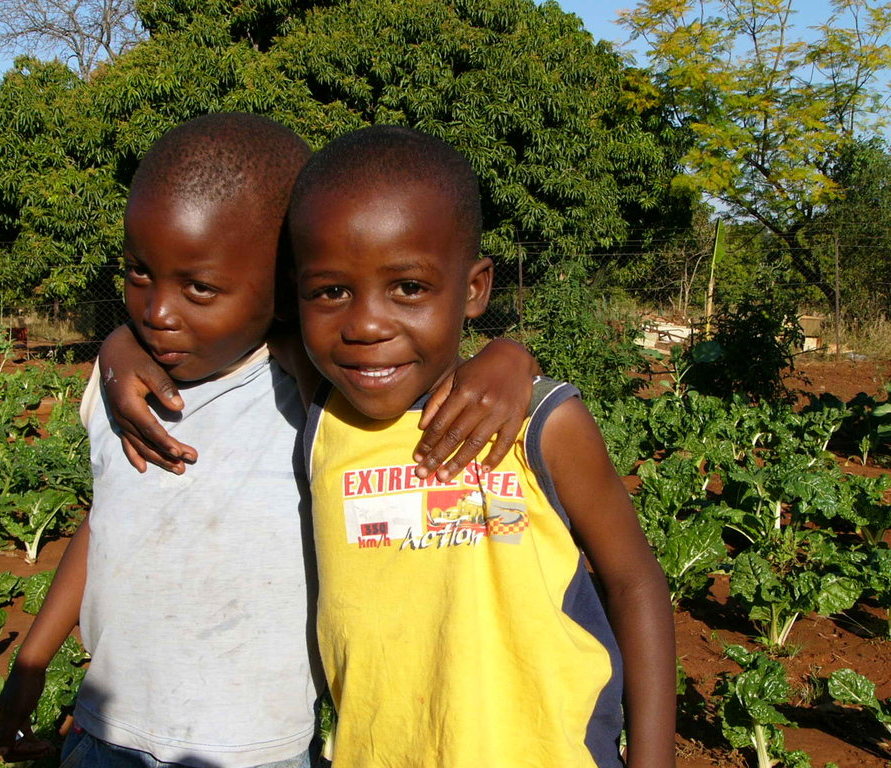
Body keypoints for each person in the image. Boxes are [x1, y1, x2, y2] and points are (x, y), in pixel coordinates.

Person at [0, 113, 539, 767]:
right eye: (139, 274)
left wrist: (511, 354)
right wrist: (32, 660)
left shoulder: (305, 390)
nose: (157, 312)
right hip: (108, 735)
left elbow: (408, 364)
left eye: (198, 286)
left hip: (258, 751)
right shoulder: (116, 390)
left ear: (283, 291)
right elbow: (107, 522)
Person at [289, 126, 676, 767]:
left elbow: (634, 581)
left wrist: (654, 760)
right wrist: (123, 346)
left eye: (408, 287)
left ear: (474, 289)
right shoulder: (319, 422)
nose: (365, 324)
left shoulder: (542, 423)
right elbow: (209, 313)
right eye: (331, 291)